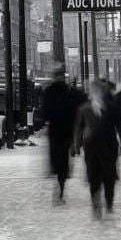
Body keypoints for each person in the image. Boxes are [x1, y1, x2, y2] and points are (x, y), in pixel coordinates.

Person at [74, 78, 121, 219]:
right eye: (94, 91)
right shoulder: (84, 109)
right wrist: (77, 145)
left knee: (109, 177)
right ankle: (95, 204)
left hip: (109, 147)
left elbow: (119, 123)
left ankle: (109, 202)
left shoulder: (111, 107)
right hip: (91, 148)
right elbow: (78, 127)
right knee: (94, 177)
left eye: (98, 91)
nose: (96, 94)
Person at [41, 65, 84, 204]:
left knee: (56, 157)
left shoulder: (49, 91)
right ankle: (60, 187)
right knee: (64, 160)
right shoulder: (68, 91)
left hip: (54, 130)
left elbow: (44, 112)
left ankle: (58, 185)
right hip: (67, 130)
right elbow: (78, 106)